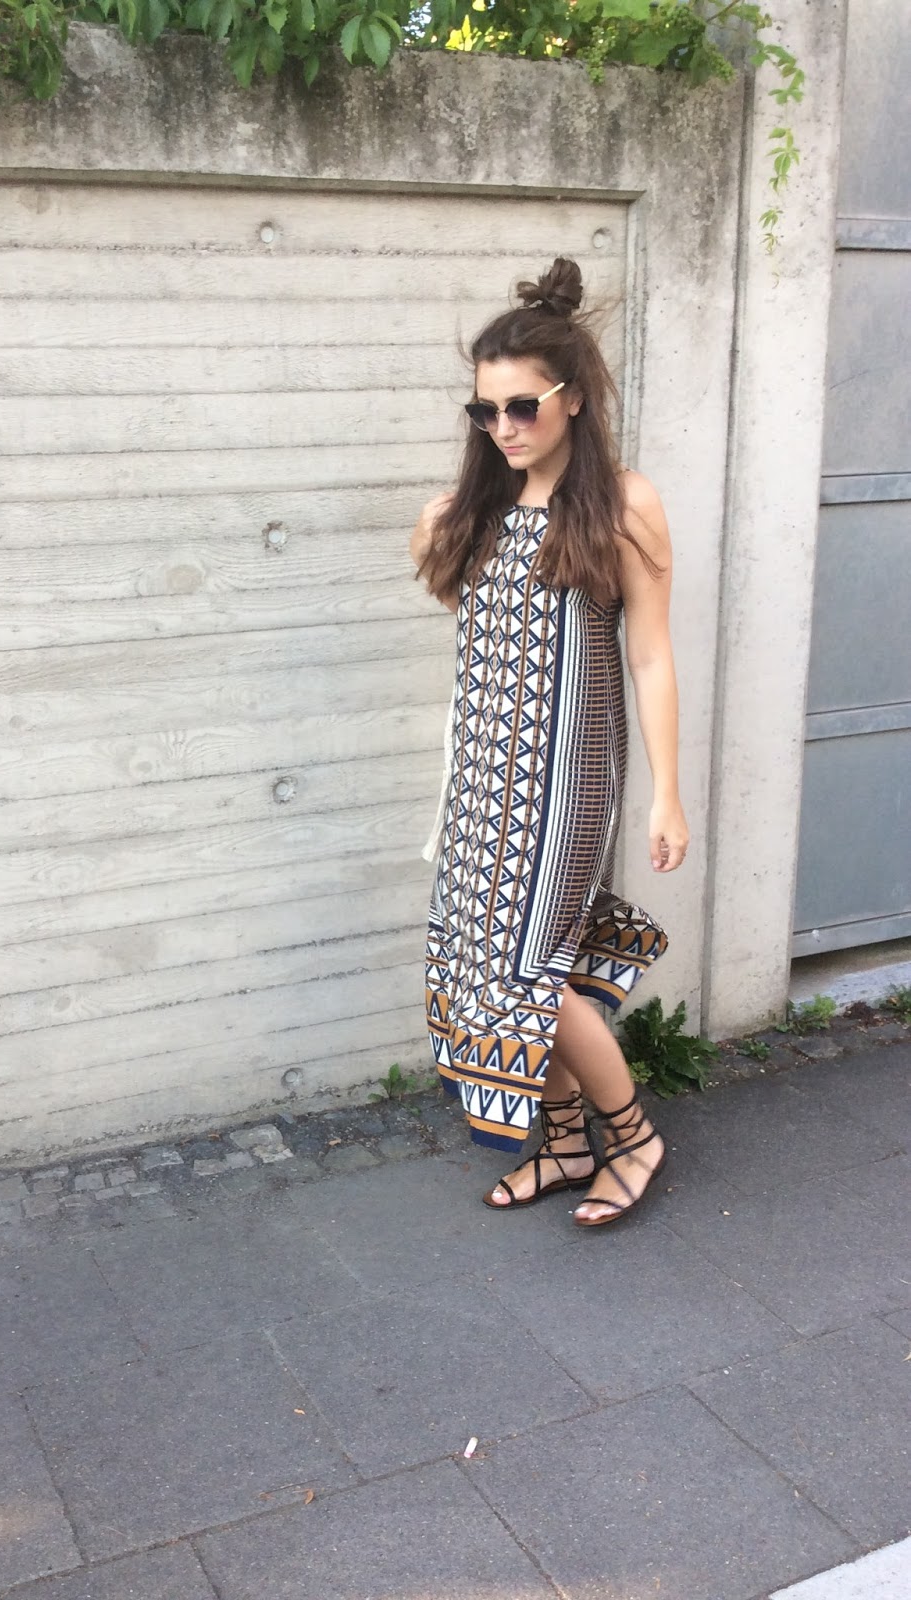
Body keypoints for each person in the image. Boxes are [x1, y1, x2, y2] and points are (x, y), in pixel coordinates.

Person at [411, 257, 688, 1227]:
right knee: (512, 964)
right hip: (481, 781)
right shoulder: (468, 514)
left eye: (521, 406)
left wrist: (666, 792)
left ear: (571, 397)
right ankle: (565, 1143)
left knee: (526, 968)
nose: (504, 427)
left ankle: (632, 1137)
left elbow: (649, 656)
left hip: (567, 782)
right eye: (484, 411)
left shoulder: (623, 504)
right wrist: (439, 529)